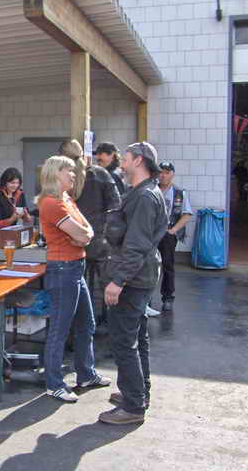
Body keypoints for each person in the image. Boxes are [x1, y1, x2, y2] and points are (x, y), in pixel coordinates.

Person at [100, 142, 168, 425]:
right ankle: (138, 394)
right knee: (138, 338)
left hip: (133, 279)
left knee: (124, 342)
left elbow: (136, 245)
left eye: (126, 158)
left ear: (139, 161)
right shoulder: (145, 192)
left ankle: (132, 407)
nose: (122, 162)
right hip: (142, 275)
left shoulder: (144, 197)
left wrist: (118, 281)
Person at [38, 156, 111, 403]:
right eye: (68, 170)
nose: (73, 174)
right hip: (63, 270)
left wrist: (83, 236)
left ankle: (86, 375)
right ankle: (54, 384)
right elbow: (81, 233)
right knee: (60, 330)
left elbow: (87, 231)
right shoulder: (51, 203)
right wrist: (82, 236)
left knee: (86, 324)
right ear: (55, 173)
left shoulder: (66, 200)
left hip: (74, 268)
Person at [60, 140, 121, 327]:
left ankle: (78, 328)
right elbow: (116, 207)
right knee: (108, 290)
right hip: (101, 241)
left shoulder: (63, 179)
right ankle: (111, 327)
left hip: (73, 243)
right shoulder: (101, 174)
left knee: (75, 290)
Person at [154, 161, 193, 313]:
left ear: (172, 174)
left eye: (167, 172)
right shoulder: (151, 189)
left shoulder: (179, 193)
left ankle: (168, 298)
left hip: (168, 234)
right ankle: (146, 299)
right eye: (161, 172)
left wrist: (173, 230)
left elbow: (187, 214)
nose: (163, 175)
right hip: (151, 233)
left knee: (168, 265)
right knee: (147, 265)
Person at [0, 168, 33, 252]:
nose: (15, 186)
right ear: (4, 182)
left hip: (12, 233)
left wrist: (26, 216)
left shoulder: (20, 194)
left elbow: (27, 219)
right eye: (12, 183)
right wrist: (13, 218)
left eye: (17, 183)